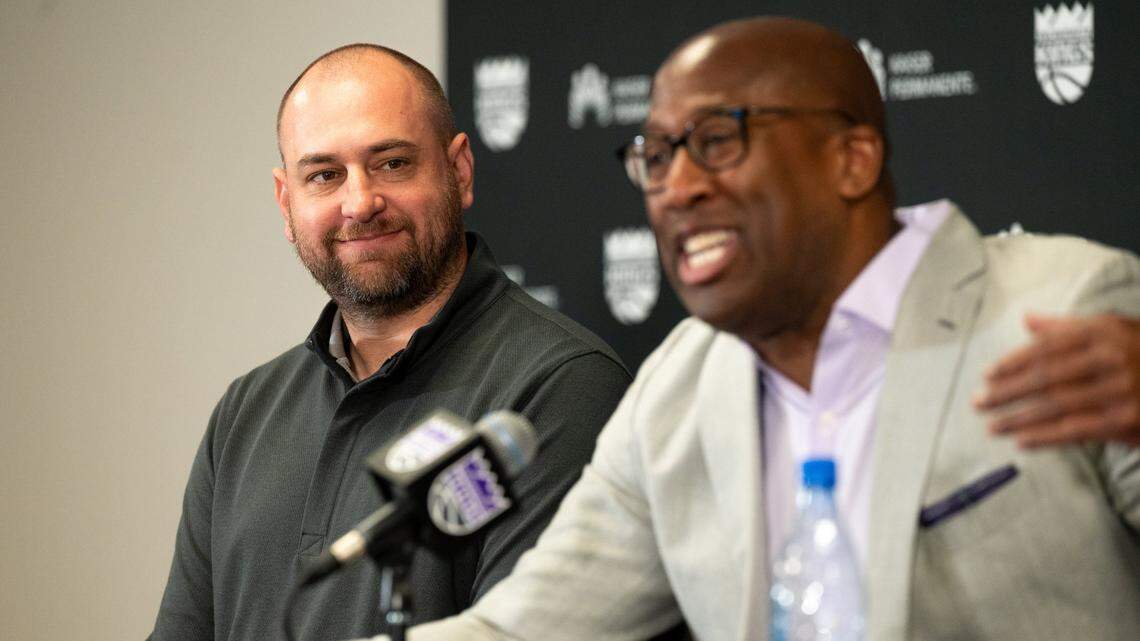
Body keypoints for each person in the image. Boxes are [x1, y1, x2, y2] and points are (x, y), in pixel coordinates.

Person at [390, 16, 1140, 641]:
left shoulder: (1062, 303)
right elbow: (517, 633)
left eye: (720, 139)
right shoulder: (675, 392)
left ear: (852, 159)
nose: (678, 187)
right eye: (656, 154)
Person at [148, 44, 631, 641]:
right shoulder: (246, 410)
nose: (359, 203)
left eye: (393, 164)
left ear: (459, 170)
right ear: (286, 201)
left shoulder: (561, 386)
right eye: (324, 175)